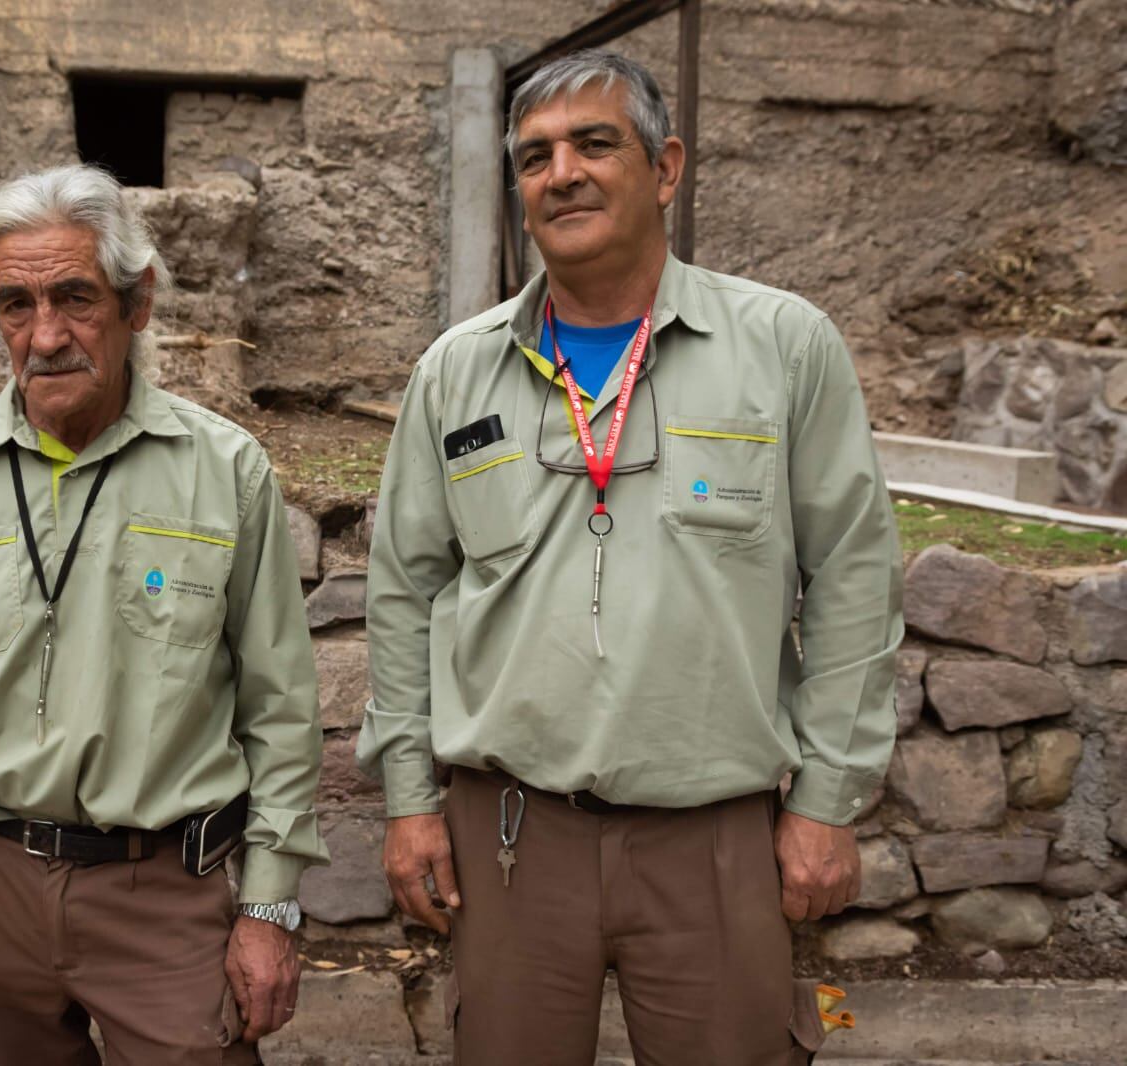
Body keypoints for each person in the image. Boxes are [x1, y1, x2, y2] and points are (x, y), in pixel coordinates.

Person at [358, 49, 902, 1065]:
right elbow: (404, 594)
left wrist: (826, 802)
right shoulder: (456, 371)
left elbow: (855, 581)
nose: (560, 172)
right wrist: (408, 800)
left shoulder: (784, 347)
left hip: (714, 837)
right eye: (534, 157)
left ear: (665, 167)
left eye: (594, 143)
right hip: (510, 839)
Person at [0, 164, 326, 1066]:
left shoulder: (227, 472)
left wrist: (268, 909)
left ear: (137, 303)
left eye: (74, 297)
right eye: (15, 305)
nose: (47, 335)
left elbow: (281, 712)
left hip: (168, 894)